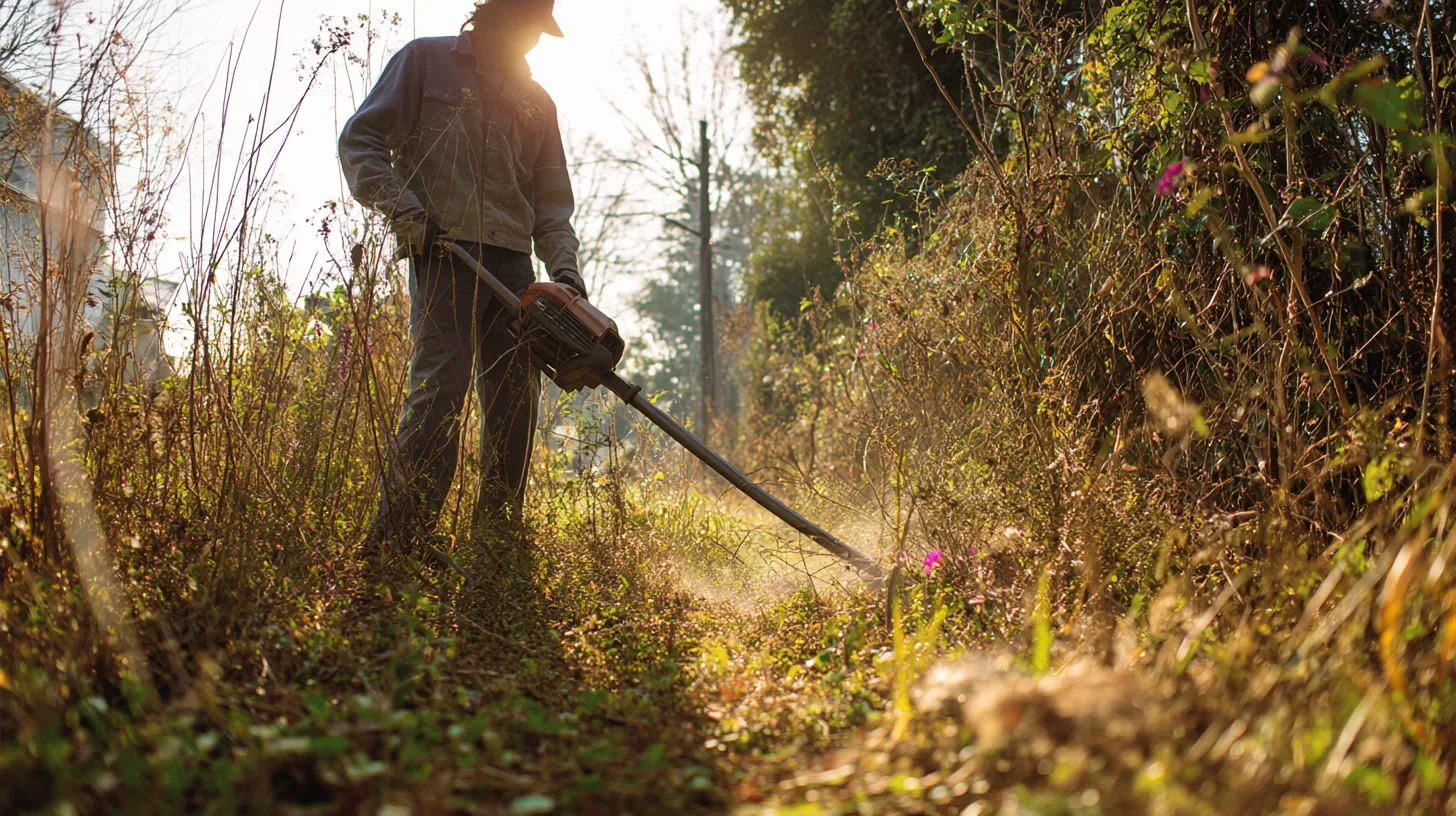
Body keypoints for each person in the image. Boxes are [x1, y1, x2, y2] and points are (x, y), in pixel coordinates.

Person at [338, 0, 583, 558]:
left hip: (515, 270)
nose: (534, 41)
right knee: (438, 395)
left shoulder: (537, 102)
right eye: (528, 26)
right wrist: (404, 208)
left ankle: (496, 541)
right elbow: (361, 141)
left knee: (515, 402)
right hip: (443, 252)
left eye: (540, 31)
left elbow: (552, 205)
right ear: (496, 14)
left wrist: (564, 275)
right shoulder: (424, 62)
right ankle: (400, 540)